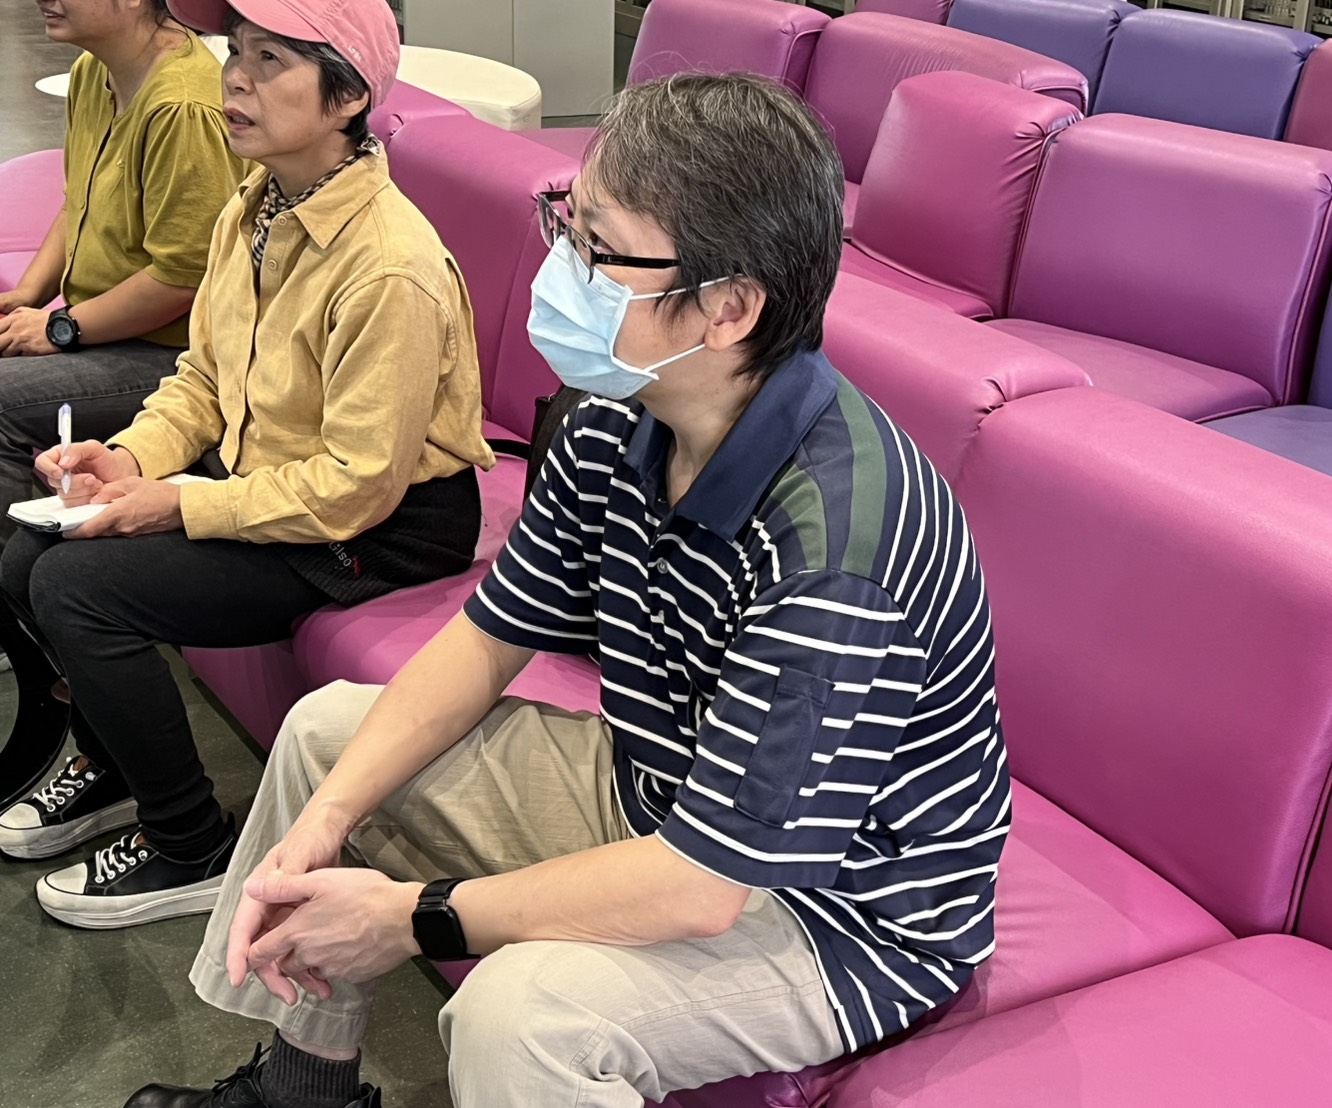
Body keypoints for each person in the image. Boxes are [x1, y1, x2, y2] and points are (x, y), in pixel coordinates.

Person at [121, 74, 1012, 1108]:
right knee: (331, 739)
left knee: (521, 1016)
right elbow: (484, 641)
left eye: (599, 249)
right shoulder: (618, 413)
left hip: (834, 913)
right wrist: (325, 823)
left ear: (727, 308)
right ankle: (301, 1089)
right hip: (656, 791)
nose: (563, 270)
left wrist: (408, 917)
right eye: (567, 225)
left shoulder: (833, 548)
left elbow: (705, 885)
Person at [0, 0, 493, 936]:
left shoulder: (389, 266)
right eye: (238, 52)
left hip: (380, 528)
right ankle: (112, 769)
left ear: (346, 98)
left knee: (77, 588)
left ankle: (191, 844)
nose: (236, 78)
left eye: (272, 61)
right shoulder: (255, 206)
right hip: (276, 478)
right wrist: (129, 457)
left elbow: (356, 486)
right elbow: (202, 376)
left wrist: (175, 505)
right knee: (30, 558)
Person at [0, 0, 244, 546]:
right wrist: (28, 295)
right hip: (101, 327)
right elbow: (77, 202)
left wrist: (62, 327)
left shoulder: (183, 109)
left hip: (172, 352)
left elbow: (183, 279)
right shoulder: (95, 71)